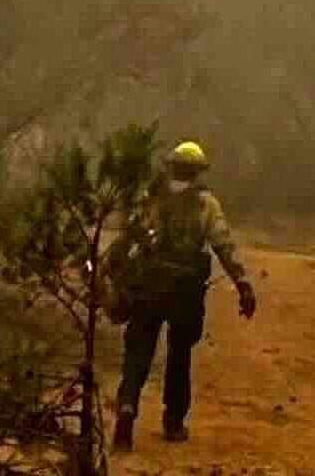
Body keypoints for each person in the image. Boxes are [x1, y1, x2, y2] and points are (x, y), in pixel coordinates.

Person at [110, 140, 256, 451]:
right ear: (199, 172)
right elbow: (223, 246)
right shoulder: (206, 204)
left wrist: (115, 276)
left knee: (138, 352)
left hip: (149, 285)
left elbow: (127, 239)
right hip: (185, 292)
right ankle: (173, 422)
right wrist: (242, 283)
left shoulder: (151, 199)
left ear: (171, 167)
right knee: (179, 356)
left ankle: (127, 408)